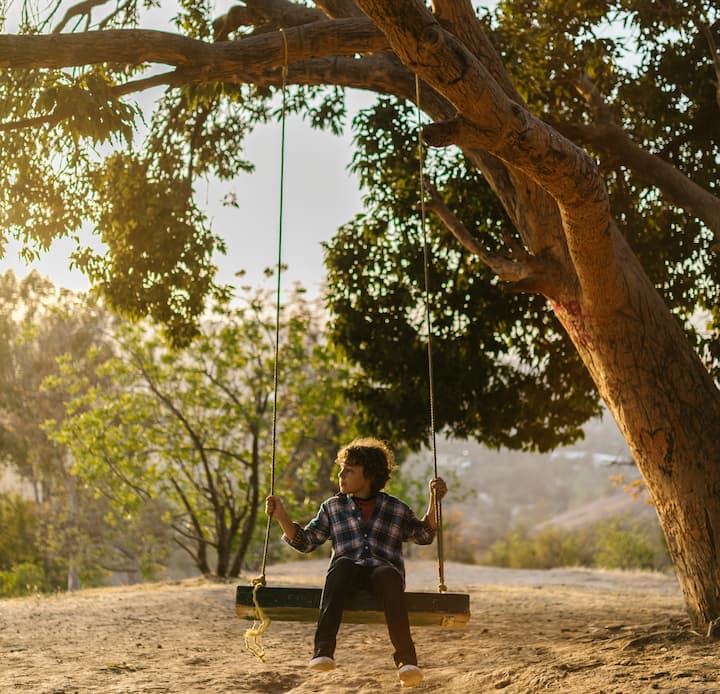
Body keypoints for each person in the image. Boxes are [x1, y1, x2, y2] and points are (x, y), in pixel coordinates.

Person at [265, 437, 447, 688]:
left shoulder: (395, 509)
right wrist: (281, 516)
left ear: (369, 475)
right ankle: (323, 651)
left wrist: (434, 500)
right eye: (342, 469)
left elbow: (425, 534)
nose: (341, 475)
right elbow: (306, 541)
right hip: (346, 576)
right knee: (341, 566)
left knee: (388, 575)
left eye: (349, 470)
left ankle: (407, 661)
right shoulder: (332, 508)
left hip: (383, 576)